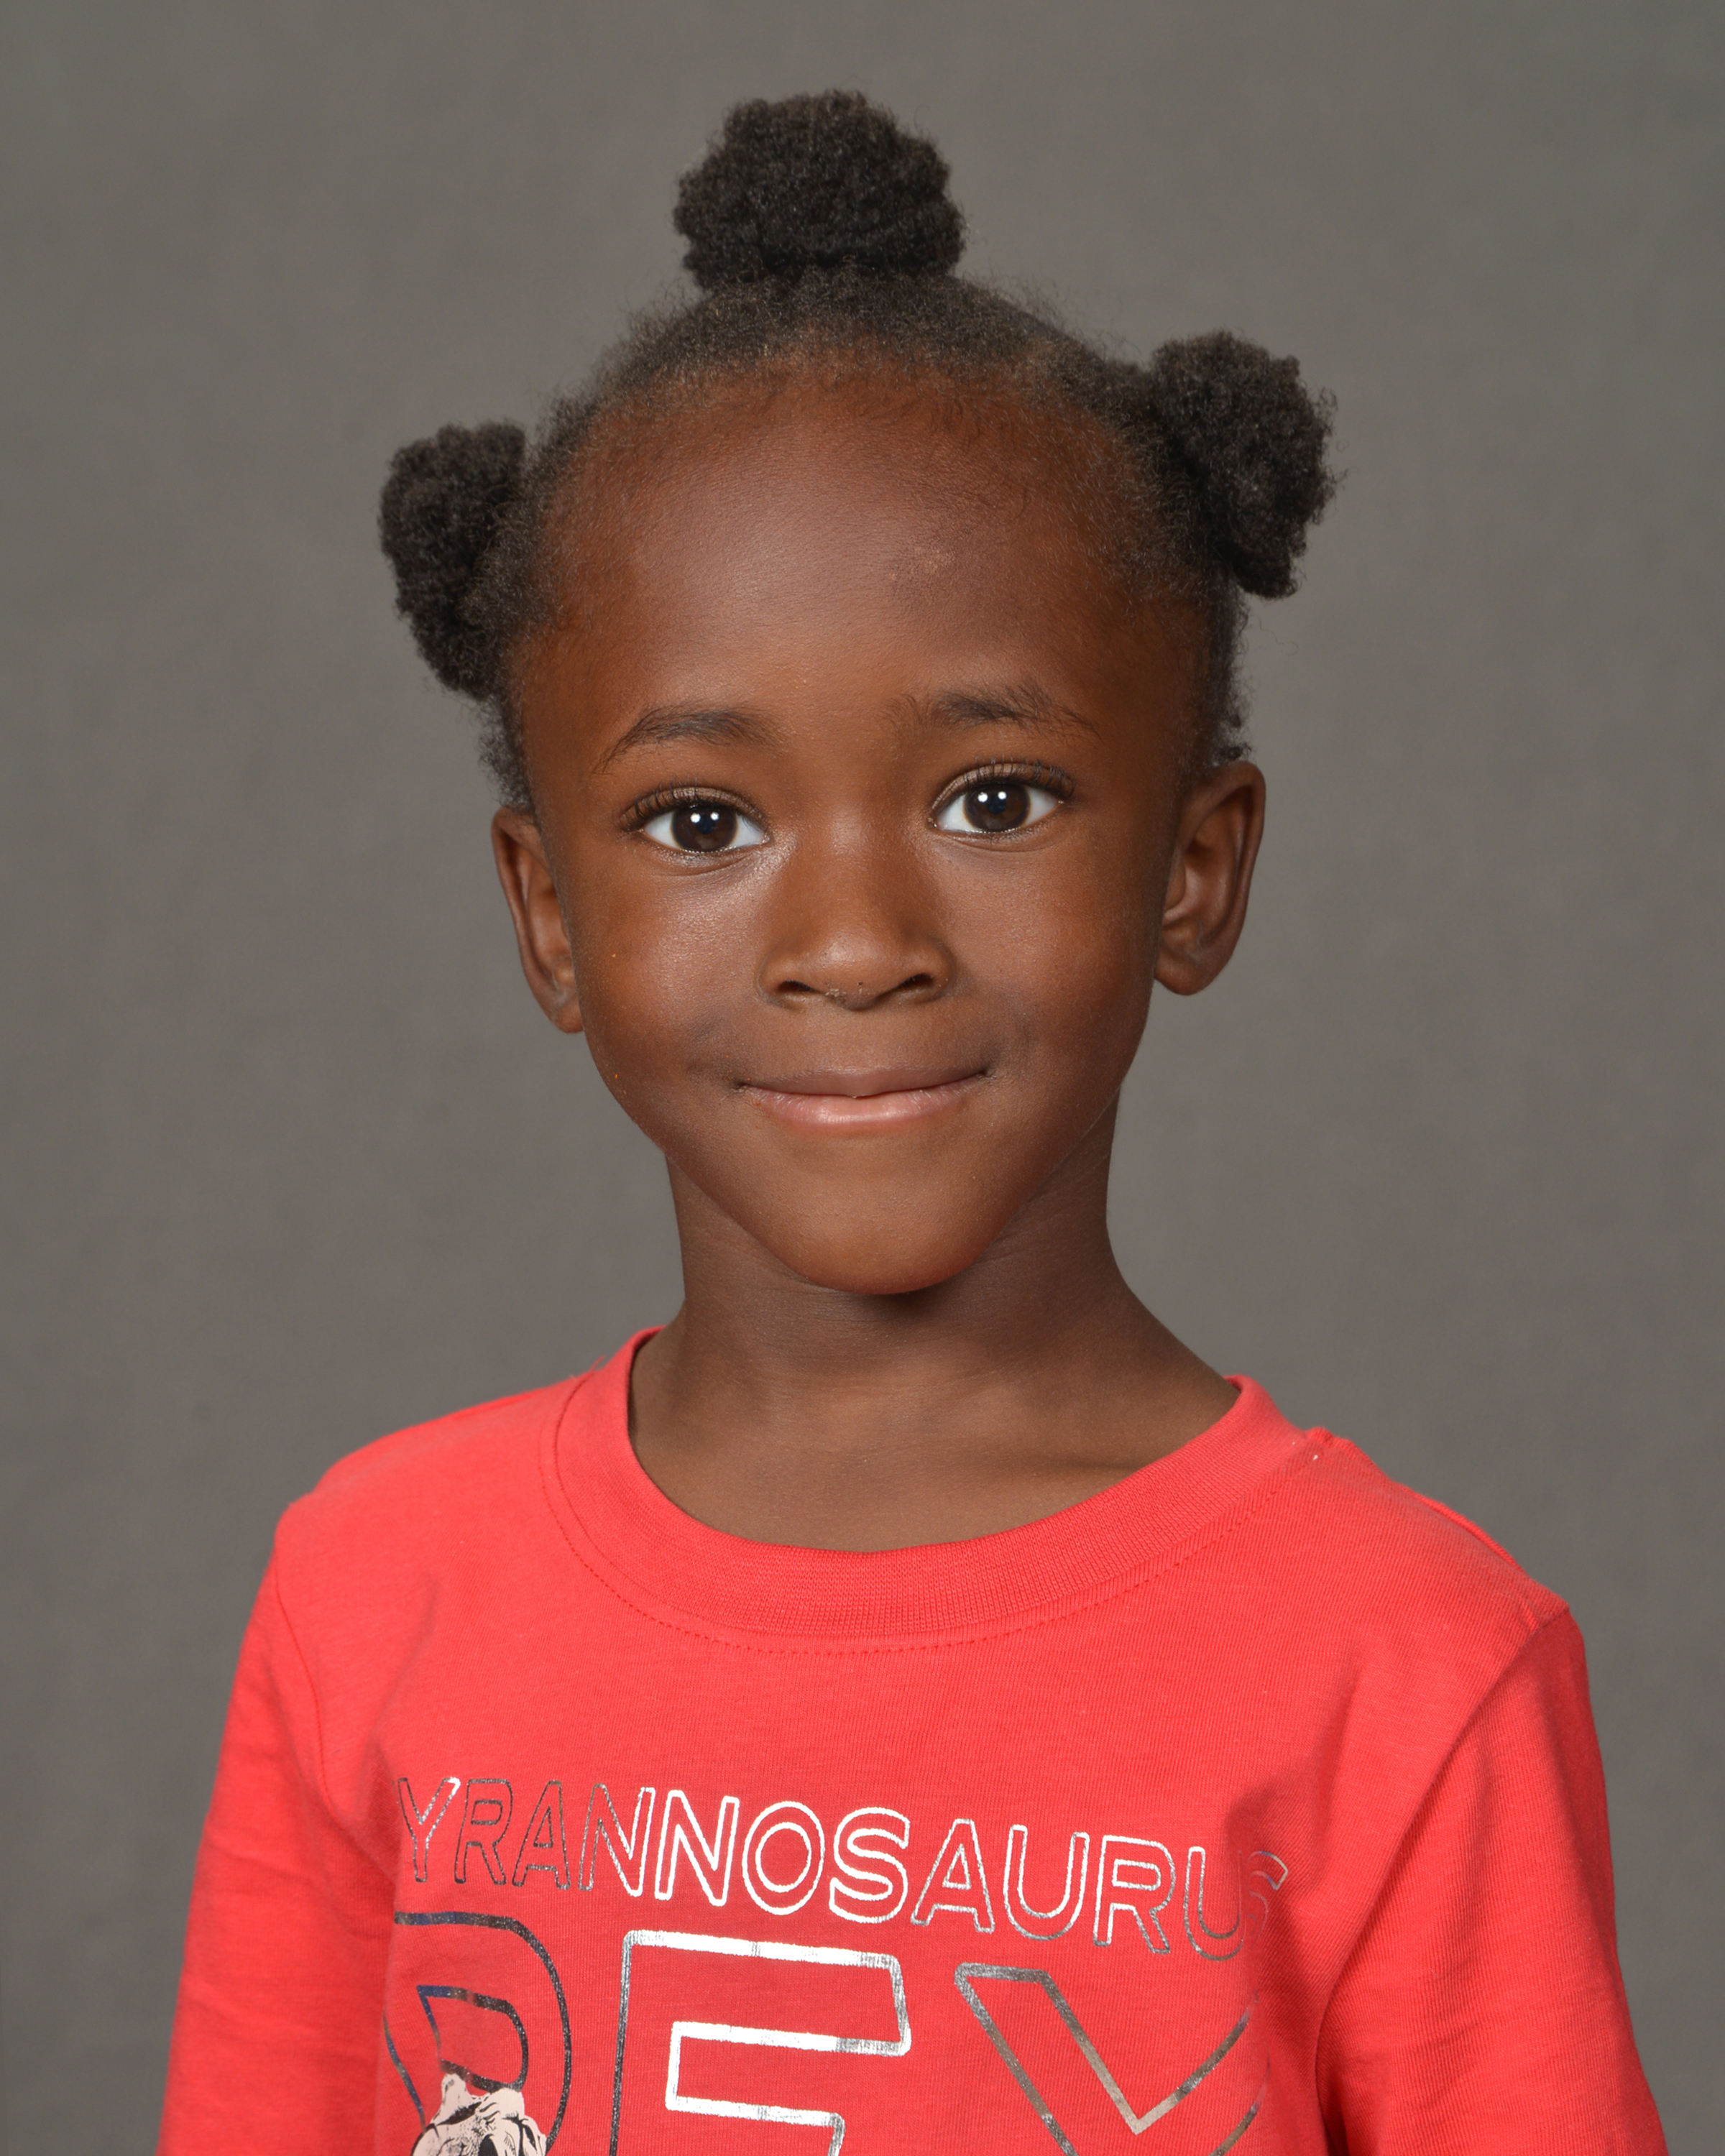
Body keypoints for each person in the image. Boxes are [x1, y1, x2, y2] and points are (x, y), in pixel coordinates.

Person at [158, 91, 1664, 2155]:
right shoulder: (370, 1592)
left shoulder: (1409, 1669)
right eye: (703, 822)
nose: (856, 944)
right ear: (548, 914)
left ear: (1197, 868)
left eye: (993, 799)